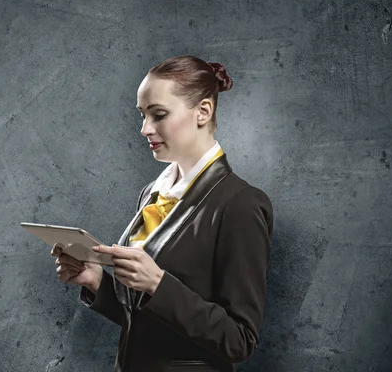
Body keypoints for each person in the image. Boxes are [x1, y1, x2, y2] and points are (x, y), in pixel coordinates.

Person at [51, 55, 273, 372]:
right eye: (143, 115)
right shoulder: (151, 193)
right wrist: (98, 283)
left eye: (159, 115)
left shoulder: (241, 204)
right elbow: (151, 325)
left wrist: (158, 283)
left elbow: (239, 341)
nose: (145, 129)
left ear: (203, 112)